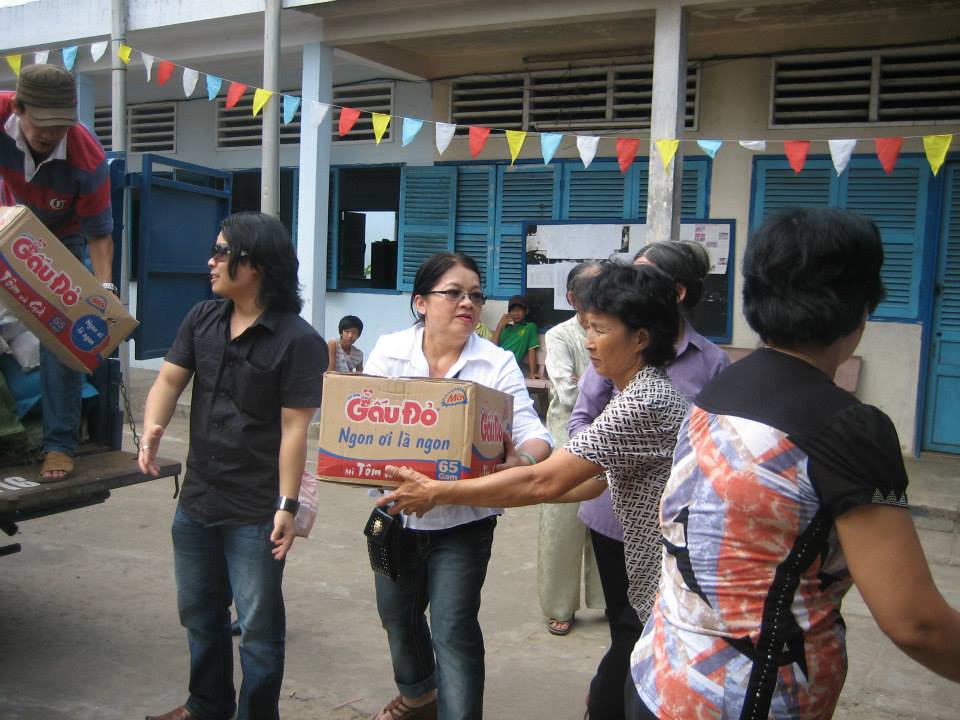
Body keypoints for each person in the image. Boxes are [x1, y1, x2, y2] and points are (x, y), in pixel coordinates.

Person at [630, 208, 960, 720]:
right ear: (862, 307)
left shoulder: (721, 387)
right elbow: (915, 622)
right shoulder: (847, 427)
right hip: (748, 698)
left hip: (658, 678)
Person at [378, 262, 689, 714]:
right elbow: (589, 484)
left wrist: (443, 492)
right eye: (587, 327)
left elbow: (543, 479)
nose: (588, 342)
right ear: (420, 303)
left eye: (599, 330)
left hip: (670, 587)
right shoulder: (632, 393)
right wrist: (494, 488)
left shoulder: (642, 402)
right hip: (656, 588)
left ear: (640, 338)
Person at [138, 212, 327, 720]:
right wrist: (153, 428)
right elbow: (169, 380)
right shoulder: (202, 318)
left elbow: (294, 429)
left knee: (259, 631)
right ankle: (207, 706)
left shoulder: (298, 340)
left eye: (222, 252)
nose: (211, 261)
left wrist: (286, 505)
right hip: (199, 498)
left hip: (256, 510)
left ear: (256, 263)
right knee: (200, 614)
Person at [364, 251, 552, 720]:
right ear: (421, 302)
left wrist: (523, 459)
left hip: (466, 522)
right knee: (397, 617)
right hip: (397, 513)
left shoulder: (496, 363)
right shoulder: (390, 351)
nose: (468, 303)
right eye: (454, 293)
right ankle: (419, 695)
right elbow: (362, 421)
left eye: (475, 295)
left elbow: (535, 434)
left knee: (452, 628)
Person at [571, 240, 730, 720]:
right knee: (629, 626)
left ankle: (610, 698)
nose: (590, 340)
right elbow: (582, 423)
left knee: (638, 630)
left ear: (675, 292)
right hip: (609, 511)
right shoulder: (616, 358)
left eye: (643, 275)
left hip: (667, 529)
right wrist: (593, 457)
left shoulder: (690, 370)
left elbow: (543, 482)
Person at [0, 63, 114, 481]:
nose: (50, 134)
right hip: (6, 222)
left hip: (62, 239)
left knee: (62, 332)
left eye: (60, 125)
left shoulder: (87, 158)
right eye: (42, 124)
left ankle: (60, 445)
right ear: (18, 108)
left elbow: (99, 235)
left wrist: (104, 292)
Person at [538, 262, 604, 637]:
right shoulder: (560, 335)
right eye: (591, 292)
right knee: (561, 526)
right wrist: (609, 392)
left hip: (611, 440)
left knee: (607, 524)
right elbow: (566, 391)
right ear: (571, 298)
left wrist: (592, 387)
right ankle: (559, 606)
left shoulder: (618, 329)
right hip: (567, 442)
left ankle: (607, 599)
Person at [493, 294, 539, 377]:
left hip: (508, 367)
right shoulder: (505, 328)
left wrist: (533, 372)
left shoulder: (529, 327)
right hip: (494, 363)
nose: (516, 313)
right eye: (513, 310)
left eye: (519, 309)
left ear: (526, 311)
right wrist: (499, 326)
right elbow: (492, 348)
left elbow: (532, 350)